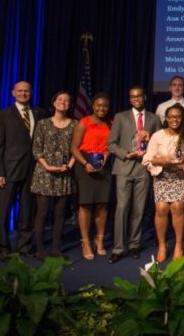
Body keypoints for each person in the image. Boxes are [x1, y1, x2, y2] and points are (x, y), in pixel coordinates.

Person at [0, 81, 46, 261]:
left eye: (27, 91)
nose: (23, 93)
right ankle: (3, 247)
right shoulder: (2, 115)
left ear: (31, 93)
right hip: (9, 170)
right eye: (20, 91)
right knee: (4, 210)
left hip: (32, 169)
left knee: (27, 210)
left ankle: (24, 246)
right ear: (13, 93)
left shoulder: (39, 113)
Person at [142, 104, 184, 262]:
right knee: (161, 208)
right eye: (171, 117)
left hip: (181, 175)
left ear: (182, 118)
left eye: (178, 116)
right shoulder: (158, 136)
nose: (174, 120)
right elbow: (147, 158)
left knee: (177, 206)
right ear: (166, 119)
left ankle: (178, 245)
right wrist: (160, 160)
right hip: (162, 174)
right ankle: (162, 246)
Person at [107, 85, 161, 263]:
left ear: (144, 97)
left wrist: (149, 143)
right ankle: (118, 248)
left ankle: (134, 245)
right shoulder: (120, 117)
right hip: (124, 167)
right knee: (122, 208)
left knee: (139, 209)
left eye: (139, 96)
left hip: (143, 169)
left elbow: (159, 143)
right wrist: (126, 154)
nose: (136, 99)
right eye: (132, 97)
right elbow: (112, 144)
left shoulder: (154, 118)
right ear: (129, 99)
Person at [30, 90, 76, 260]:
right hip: (44, 173)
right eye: (60, 99)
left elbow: (76, 149)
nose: (63, 102)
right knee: (42, 212)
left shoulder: (74, 124)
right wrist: (48, 166)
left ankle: (56, 248)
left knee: (60, 213)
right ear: (54, 102)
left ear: (70, 105)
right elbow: (36, 149)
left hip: (64, 174)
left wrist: (69, 166)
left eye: (66, 100)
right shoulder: (42, 124)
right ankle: (40, 249)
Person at [70, 92, 112, 260]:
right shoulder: (84, 122)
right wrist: (85, 163)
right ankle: (85, 242)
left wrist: (106, 156)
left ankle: (99, 240)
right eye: (98, 105)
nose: (102, 108)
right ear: (93, 106)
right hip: (85, 163)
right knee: (86, 204)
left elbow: (111, 145)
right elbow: (73, 147)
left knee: (102, 204)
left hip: (103, 164)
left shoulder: (111, 123)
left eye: (105, 106)